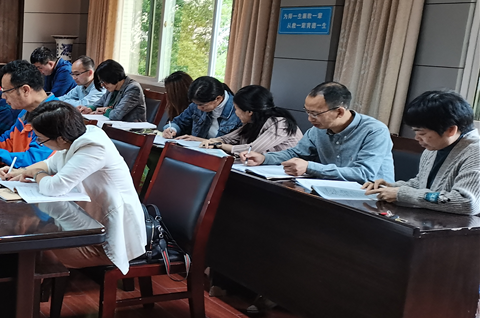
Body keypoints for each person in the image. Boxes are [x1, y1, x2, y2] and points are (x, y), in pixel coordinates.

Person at [0, 100, 146, 272]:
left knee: (35, 247)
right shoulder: (73, 139)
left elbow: (54, 187)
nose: (40, 142)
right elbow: (49, 164)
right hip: (89, 219)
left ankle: (34, 285)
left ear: (60, 139)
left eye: (41, 139)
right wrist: (21, 171)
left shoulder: (93, 147)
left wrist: (36, 174)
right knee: (34, 235)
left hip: (111, 235)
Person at [243, 82, 394, 182]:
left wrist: (309, 167)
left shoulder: (375, 131)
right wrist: (264, 158)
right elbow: (296, 153)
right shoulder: (318, 130)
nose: (309, 119)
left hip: (372, 198)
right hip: (330, 191)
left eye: (315, 114)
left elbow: (364, 174)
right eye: (307, 111)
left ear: (339, 112)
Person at [364, 91, 479, 214]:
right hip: (430, 219)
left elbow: (466, 202)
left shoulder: (475, 153)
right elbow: (421, 185)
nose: (417, 138)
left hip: (457, 225)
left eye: (422, 133)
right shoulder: (434, 148)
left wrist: (400, 194)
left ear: (450, 130)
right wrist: (391, 187)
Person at [204, 85, 302, 157]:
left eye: (236, 109)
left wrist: (221, 145)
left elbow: (252, 149)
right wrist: (216, 141)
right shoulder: (253, 123)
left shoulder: (281, 124)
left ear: (249, 112)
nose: (236, 113)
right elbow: (227, 139)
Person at [162, 76, 240, 140]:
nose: (198, 108)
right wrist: (172, 129)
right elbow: (179, 122)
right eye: (196, 104)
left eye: (202, 105)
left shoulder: (238, 111)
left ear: (218, 99)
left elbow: (236, 145)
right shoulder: (196, 104)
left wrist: (199, 140)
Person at [79, 60, 146, 122]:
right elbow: (101, 102)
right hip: (112, 125)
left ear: (113, 77)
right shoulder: (113, 87)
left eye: (104, 81)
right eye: (101, 82)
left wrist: (105, 109)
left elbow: (116, 115)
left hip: (130, 128)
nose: (102, 85)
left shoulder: (133, 88)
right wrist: (89, 109)